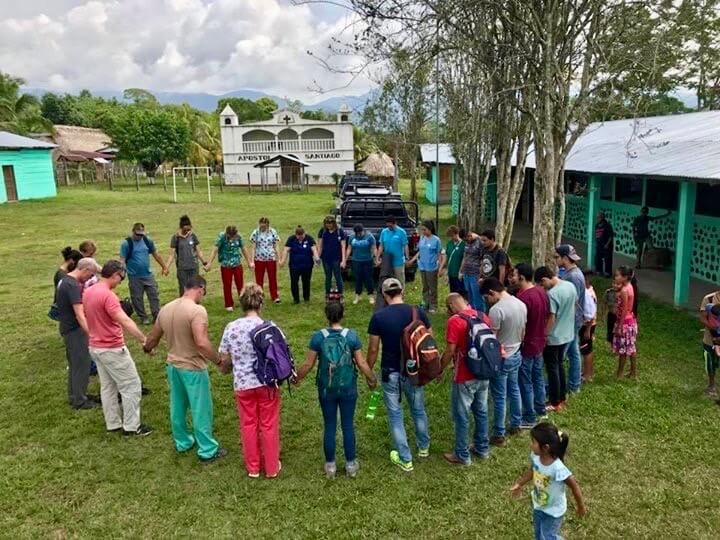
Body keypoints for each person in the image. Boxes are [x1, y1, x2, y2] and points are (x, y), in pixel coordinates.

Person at [144, 276, 228, 463]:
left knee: (177, 406)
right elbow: (201, 342)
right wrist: (218, 361)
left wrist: (147, 348)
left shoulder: (166, 308)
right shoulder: (197, 311)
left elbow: (153, 337)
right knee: (201, 408)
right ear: (200, 289)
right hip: (193, 367)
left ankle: (182, 442)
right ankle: (207, 449)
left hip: (173, 366)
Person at [295, 301, 377, 478]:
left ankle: (330, 465)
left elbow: (308, 364)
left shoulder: (318, 337)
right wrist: (371, 378)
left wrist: (297, 377)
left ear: (326, 316)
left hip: (327, 388)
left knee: (330, 425)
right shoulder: (351, 336)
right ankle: (351, 465)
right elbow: (362, 363)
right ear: (342, 315)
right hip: (348, 387)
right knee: (348, 425)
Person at [367, 278, 431, 472]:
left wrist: (368, 372)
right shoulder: (417, 312)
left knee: (395, 414)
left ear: (384, 294)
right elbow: (429, 338)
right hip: (414, 370)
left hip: (390, 370)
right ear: (402, 291)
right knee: (418, 409)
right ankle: (423, 448)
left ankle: (405, 458)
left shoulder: (379, 317)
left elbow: (373, 349)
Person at [218, 284, 282, 478]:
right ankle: (271, 467)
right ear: (261, 304)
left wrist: (230, 365)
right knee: (268, 424)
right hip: (266, 383)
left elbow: (224, 358)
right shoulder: (270, 327)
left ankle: (253, 467)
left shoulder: (231, 327)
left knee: (248, 424)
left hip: (243, 384)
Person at [83, 260, 153, 436]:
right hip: (112, 349)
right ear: (114, 275)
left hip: (95, 347)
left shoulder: (88, 291)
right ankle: (132, 427)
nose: (120, 282)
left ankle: (113, 423)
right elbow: (125, 321)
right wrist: (144, 340)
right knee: (131, 385)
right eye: (121, 278)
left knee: (108, 387)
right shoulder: (108, 296)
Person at [440, 293, 493, 464]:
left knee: (461, 415)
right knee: (481, 411)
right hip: (484, 371)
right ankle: (482, 448)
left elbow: (450, 350)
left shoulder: (455, 321)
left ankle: (462, 454)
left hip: (464, 374)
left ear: (451, 306)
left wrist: (440, 368)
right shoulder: (482, 316)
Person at [510, 423, 587, 540]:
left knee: (547, 536)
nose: (530, 445)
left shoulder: (558, 468)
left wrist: (581, 507)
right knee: (539, 534)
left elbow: (574, 486)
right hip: (539, 505)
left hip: (554, 511)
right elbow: (533, 470)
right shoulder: (536, 457)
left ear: (545, 447)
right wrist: (519, 483)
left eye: (533, 442)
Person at [480, 277, 527, 446]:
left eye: (487, 297)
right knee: (514, 389)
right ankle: (516, 423)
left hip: (501, 357)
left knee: (499, 396)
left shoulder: (496, 310)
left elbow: (492, 339)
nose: (487, 301)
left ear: (492, 293)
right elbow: (523, 331)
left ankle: (499, 433)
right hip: (516, 352)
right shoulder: (520, 304)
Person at [55, 257, 102, 409]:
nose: (89, 278)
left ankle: (76, 395)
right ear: (85, 269)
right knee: (82, 364)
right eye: (90, 274)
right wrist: (90, 333)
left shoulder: (64, 280)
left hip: (66, 328)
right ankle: (80, 401)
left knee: (75, 364)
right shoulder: (73, 285)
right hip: (75, 330)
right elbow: (79, 314)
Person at [535, 266, 577, 412]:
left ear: (545, 279)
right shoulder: (570, 286)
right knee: (559, 365)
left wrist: (545, 335)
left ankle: (554, 401)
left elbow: (551, 318)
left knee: (552, 368)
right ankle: (562, 397)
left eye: (542, 284)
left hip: (554, 337)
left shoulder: (552, 294)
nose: (543, 288)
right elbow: (574, 305)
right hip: (567, 334)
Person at [513, 263, 550, 428]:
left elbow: (520, 326)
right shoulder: (541, 292)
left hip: (527, 344)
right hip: (539, 342)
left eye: (514, 275)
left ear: (521, 277)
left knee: (526, 382)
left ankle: (529, 416)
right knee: (538, 377)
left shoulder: (524, 299)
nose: (512, 278)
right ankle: (540, 409)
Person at [119, 223, 167, 324]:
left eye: (141, 234)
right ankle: (143, 316)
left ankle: (156, 315)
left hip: (148, 275)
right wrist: (121, 273)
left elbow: (156, 255)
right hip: (134, 276)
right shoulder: (126, 244)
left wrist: (164, 266)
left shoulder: (147, 241)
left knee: (154, 295)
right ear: (133, 232)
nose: (140, 236)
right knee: (137, 298)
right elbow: (122, 260)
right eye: (138, 234)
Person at [555, 244, 588, 395]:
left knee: (560, 355)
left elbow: (571, 302)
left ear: (565, 258)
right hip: (575, 319)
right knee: (574, 352)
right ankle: (574, 385)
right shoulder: (574, 273)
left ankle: (561, 386)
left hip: (570, 320)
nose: (556, 260)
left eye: (557, 257)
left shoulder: (572, 277)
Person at [204, 225, 253, 312]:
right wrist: (209, 263)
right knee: (227, 285)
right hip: (226, 265)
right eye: (230, 236)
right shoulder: (221, 237)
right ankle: (229, 304)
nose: (232, 238)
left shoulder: (239, 236)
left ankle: (243, 302)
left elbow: (243, 249)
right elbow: (215, 250)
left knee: (240, 284)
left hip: (237, 264)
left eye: (233, 236)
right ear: (227, 234)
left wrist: (249, 262)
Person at [166, 215, 207, 296]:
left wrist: (204, 262)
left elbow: (198, 251)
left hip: (193, 267)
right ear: (181, 228)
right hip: (182, 269)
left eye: (189, 229)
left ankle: (194, 303)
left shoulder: (193, 236)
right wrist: (166, 267)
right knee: (183, 289)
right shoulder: (175, 238)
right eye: (185, 230)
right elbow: (172, 255)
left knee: (194, 288)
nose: (187, 232)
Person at [408, 220, 443, 313]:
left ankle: (433, 305)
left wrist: (440, 267)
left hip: (431, 267)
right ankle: (425, 303)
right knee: (425, 287)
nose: (423, 232)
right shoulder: (422, 238)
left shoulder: (436, 240)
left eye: (424, 230)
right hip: (422, 266)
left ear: (430, 229)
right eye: (422, 230)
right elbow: (419, 251)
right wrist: (412, 260)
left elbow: (439, 254)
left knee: (432, 287)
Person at [280, 225, 319, 304]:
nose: (300, 237)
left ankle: (306, 298)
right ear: (296, 234)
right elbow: (286, 250)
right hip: (294, 266)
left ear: (304, 233)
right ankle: (296, 299)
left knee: (306, 282)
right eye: (298, 236)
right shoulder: (291, 239)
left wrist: (317, 259)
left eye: (302, 236)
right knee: (294, 282)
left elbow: (314, 250)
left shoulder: (309, 239)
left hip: (307, 266)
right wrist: (282, 261)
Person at [613, 265, 639, 379]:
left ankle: (620, 373)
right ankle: (633, 372)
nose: (615, 277)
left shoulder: (624, 290)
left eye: (617, 275)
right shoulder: (630, 286)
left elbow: (624, 310)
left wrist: (619, 326)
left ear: (625, 277)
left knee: (623, 350)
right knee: (631, 347)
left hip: (625, 322)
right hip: (630, 321)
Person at [249, 217, 281, 304]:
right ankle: (259, 297)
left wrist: (279, 258)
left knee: (272, 278)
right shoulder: (255, 232)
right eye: (261, 225)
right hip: (259, 259)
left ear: (267, 225)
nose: (262, 227)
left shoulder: (273, 232)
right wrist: (252, 261)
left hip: (271, 258)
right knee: (259, 279)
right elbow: (253, 247)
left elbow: (276, 245)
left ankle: (275, 296)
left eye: (264, 226)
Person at [317, 215, 348, 297]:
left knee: (338, 276)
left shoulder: (340, 231)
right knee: (328, 276)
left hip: (336, 258)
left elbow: (343, 246)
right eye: (327, 223)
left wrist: (343, 260)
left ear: (334, 223)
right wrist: (317, 257)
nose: (329, 225)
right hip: (326, 258)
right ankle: (327, 294)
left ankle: (340, 294)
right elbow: (320, 245)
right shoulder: (322, 231)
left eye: (330, 223)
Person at [346, 223, 376, 305]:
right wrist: (345, 259)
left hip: (367, 260)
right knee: (358, 278)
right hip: (356, 261)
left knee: (368, 278)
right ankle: (358, 295)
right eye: (357, 233)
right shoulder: (352, 237)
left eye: (360, 233)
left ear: (363, 230)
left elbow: (373, 248)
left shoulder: (369, 237)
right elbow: (349, 248)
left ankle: (371, 295)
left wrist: (375, 258)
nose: (358, 234)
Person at [376, 216, 409, 286]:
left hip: (398, 261)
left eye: (391, 226)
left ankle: (401, 292)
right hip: (387, 261)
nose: (389, 228)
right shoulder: (384, 232)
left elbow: (405, 246)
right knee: (388, 281)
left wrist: (407, 257)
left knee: (400, 281)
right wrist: (377, 257)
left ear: (395, 223)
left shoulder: (401, 232)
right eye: (388, 226)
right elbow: (381, 246)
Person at [699, 290, 720, 397]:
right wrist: (714, 329)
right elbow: (703, 318)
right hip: (710, 339)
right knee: (710, 363)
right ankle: (711, 386)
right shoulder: (709, 298)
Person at [459, 231, 484, 312]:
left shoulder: (479, 242)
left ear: (469, 235)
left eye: (466, 239)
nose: (466, 241)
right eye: (464, 240)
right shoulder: (467, 242)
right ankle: (472, 313)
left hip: (475, 273)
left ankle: (480, 313)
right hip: (466, 272)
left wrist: (480, 274)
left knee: (476, 295)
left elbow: (483, 259)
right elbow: (465, 256)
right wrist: (461, 271)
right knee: (469, 295)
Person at [580, 270, 598, 383]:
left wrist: (588, 329)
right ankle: (588, 372)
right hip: (589, 324)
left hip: (587, 325)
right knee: (587, 349)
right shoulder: (590, 290)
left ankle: (587, 375)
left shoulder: (588, 293)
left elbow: (591, 314)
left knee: (586, 350)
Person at [439, 225, 466, 297]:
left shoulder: (463, 244)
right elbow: (446, 256)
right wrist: (442, 268)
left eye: (452, 236)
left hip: (458, 273)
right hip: (451, 272)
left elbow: (464, 258)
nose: (451, 238)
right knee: (452, 292)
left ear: (457, 233)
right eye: (450, 236)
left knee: (461, 293)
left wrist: (461, 271)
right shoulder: (449, 243)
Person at [594, 212, 614, 277]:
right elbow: (596, 235)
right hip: (599, 245)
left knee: (607, 259)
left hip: (607, 245)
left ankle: (608, 272)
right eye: (597, 217)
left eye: (598, 217)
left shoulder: (608, 225)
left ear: (602, 218)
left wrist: (607, 244)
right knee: (598, 258)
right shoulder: (597, 225)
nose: (597, 219)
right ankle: (599, 271)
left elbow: (611, 236)